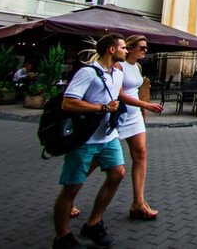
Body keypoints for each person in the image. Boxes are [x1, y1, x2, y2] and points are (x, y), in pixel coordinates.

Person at [52, 33, 127, 249]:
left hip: (108, 135)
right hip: (84, 138)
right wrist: (101, 108)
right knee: (72, 188)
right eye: (123, 47)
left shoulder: (118, 74)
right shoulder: (87, 72)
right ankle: (62, 236)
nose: (126, 50)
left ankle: (94, 222)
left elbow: (116, 99)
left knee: (117, 173)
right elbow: (68, 103)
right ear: (111, 50)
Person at [116, 35, 163, 220]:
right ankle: (70, 193)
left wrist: (143, 110)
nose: (145, 50)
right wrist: (146, 106)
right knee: (97, 160)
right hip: (118, 116)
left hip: (134, 115)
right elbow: (118, 94)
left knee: (141, 154)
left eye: (146, 47)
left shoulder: (137, 66)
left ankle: (138, 203)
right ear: (131, 48)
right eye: (142, 47)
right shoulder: (119, 66)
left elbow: (137, 90)